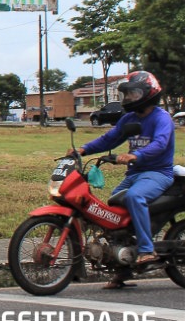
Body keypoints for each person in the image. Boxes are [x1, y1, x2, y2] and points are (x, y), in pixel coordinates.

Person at [74, 71, 176, 287]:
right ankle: (123, 267)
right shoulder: (128, 119)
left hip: (158, 173)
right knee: (112, 210)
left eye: (134, 93)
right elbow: (109, 139)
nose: (128, 98)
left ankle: (147, 250)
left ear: (149, 93)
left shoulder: (162, 118)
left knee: (134, 196)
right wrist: (83, 150)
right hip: (135, 174)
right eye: (127, 94)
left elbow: (160, 143)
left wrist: (135, 155)